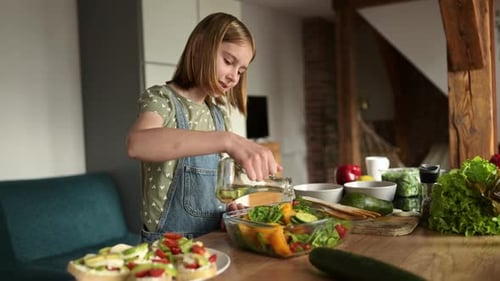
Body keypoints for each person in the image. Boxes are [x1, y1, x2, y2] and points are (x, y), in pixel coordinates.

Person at [127, 12, 281, 242]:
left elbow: (222, 190)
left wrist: (230, 209)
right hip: (168, 248)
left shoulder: (217, 114)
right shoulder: (162, 100)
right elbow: (136, 144)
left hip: (214, 241)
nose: (233, 78)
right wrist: (227, 140)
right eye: (229, 62)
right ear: (199, 46)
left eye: (240, 71)